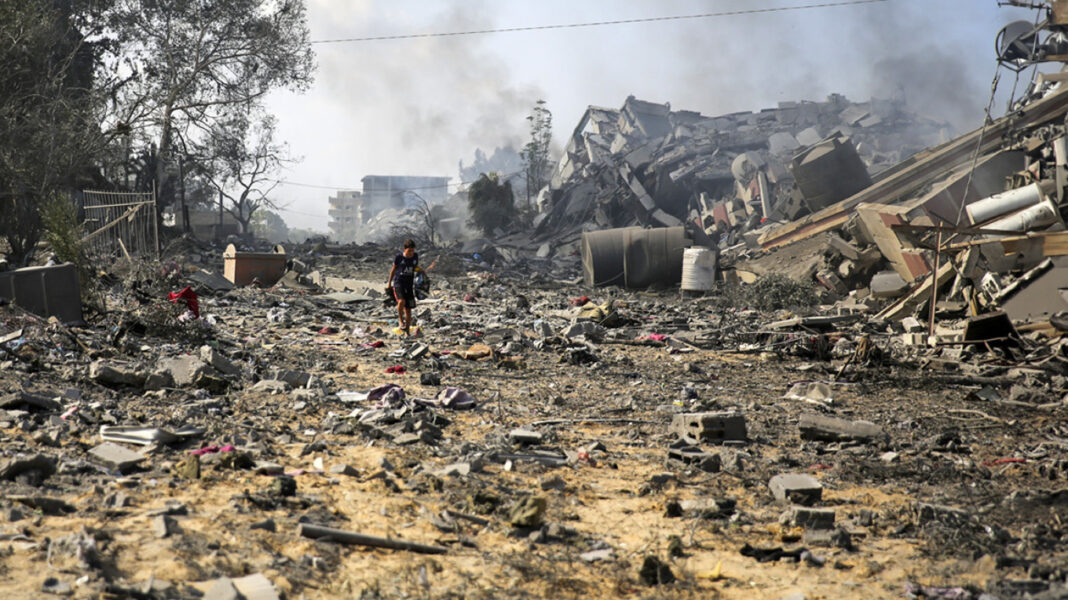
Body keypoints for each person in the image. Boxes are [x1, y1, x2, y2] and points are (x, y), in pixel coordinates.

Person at [387, 239, 419, 335]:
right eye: (409, 251)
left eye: (412, 251)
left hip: (409, 285)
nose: (411, 253)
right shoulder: (399, 257)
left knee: (408, 310)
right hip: (399, 283)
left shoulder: (415, 257)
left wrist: (422, 272)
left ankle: (407, 331)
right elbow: (393, 270)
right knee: (401, 301)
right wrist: (389, 283)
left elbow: (415, 268)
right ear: (404, 249)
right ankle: (401, 321)